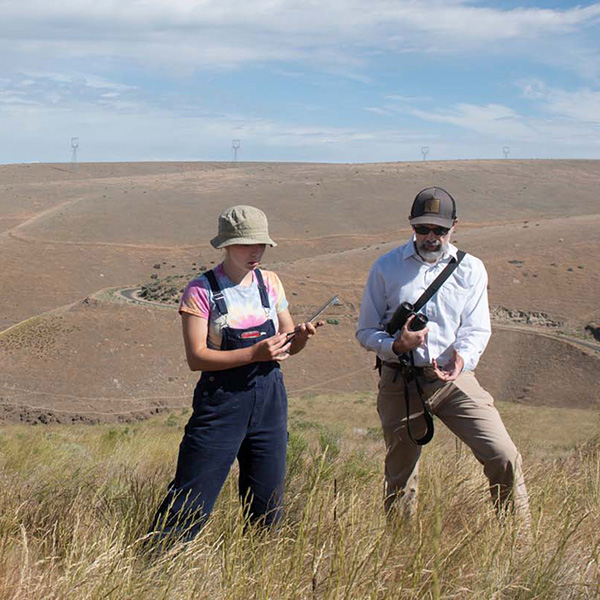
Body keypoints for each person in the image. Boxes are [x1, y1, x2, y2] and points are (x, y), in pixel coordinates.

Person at [356, 187, 529, 521]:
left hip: (453, 380)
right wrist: (396, 346)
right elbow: (365, 331)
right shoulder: (385, 267)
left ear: (455, 226)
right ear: (411, 225)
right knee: (400, 477)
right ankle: (399, 552)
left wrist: (462, 358)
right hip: (400, 381)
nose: (431, 236)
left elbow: (478, 328)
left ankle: (517, 546)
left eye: (439, 229)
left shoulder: (471, 269)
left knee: (504, 455)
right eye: (423, 228)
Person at [152, 205, 320, 541]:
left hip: (270, 403)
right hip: (221, 404)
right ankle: (157, 566)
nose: (255, 252)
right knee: (191, 500)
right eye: (246, 245)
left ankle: (260, 573)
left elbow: (286, 346)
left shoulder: (270, 283)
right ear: (226, 245)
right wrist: (254, 353)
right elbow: (197, 357)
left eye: (261, 245)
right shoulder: (200, 291)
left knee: (267, 507)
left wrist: (298, 339)